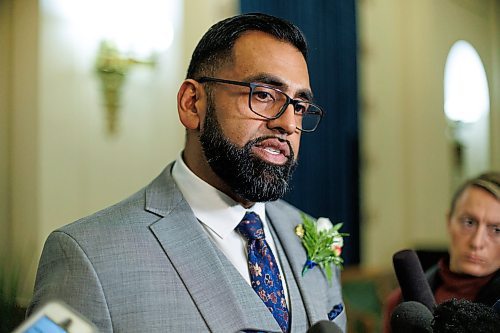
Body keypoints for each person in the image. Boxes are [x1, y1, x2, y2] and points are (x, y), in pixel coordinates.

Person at [27, 13, 346, 333]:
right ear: (192, 103)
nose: (289, 124)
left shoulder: (307, 233)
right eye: (263, 94)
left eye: (299, 106)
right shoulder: (87, 256)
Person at [383, 171, 500, 332]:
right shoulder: (400, 301)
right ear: (448, 222)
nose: (477, 242)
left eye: (496, 230)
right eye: (469, 222)